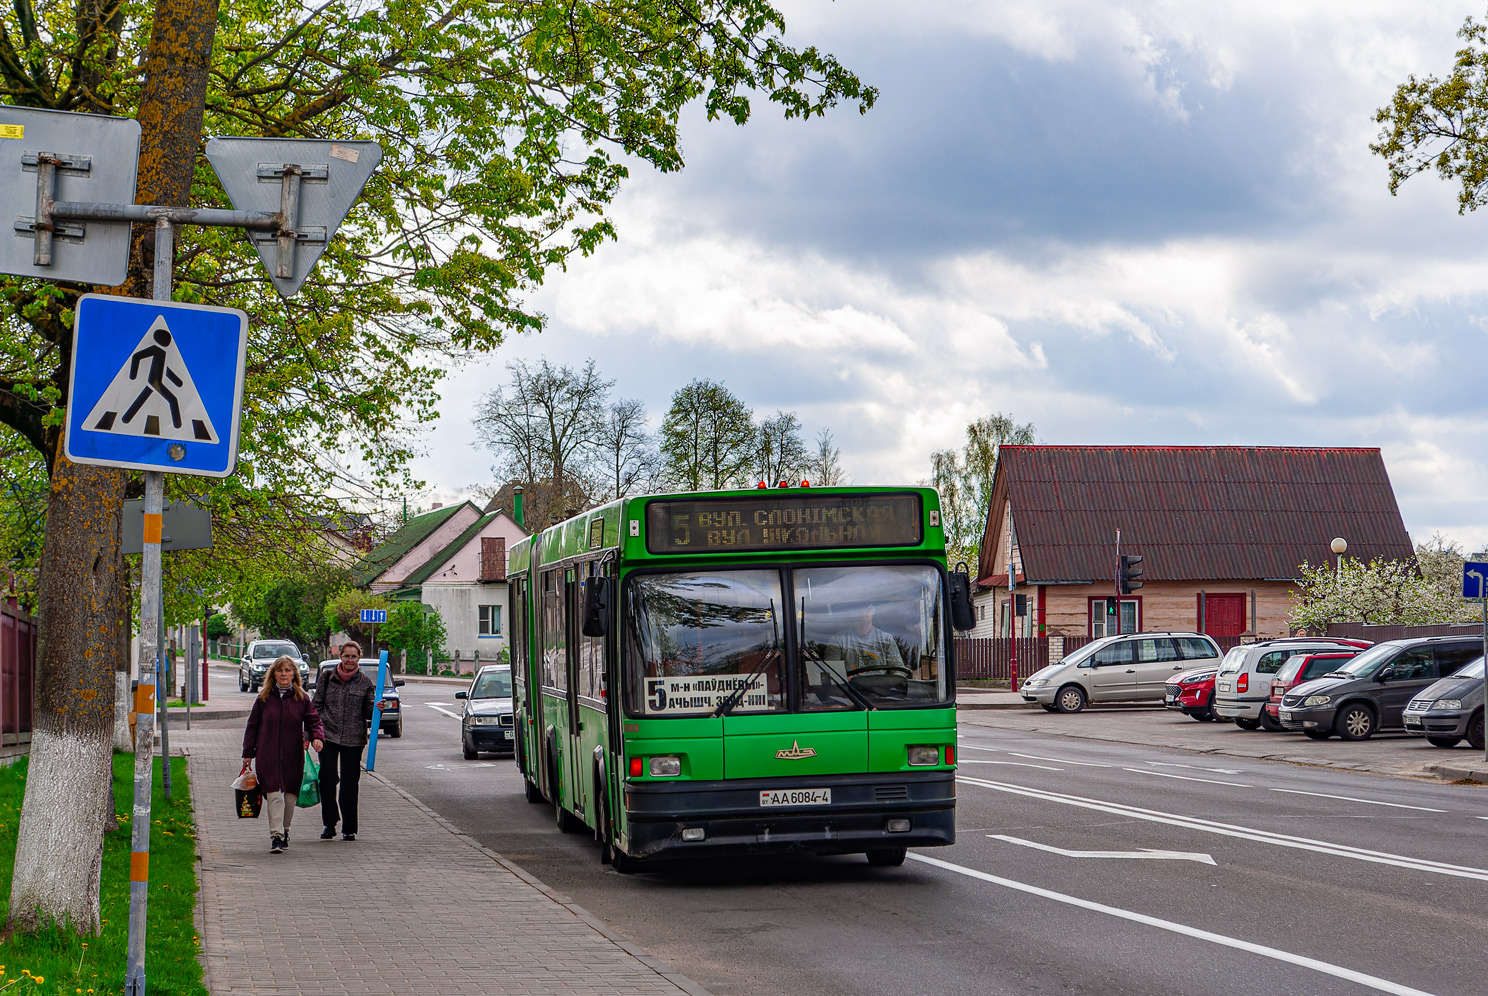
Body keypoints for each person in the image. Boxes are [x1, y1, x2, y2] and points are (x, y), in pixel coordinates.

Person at [242, 655, 324, 853]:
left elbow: (314, 721)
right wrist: (248, 753)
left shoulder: (301, 698)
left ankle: (285, 830)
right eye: (280, 670)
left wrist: (317, 737)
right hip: (267, 754)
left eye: (288, 670)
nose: (284, 674)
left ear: (294, 673)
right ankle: (276, 836)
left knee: (289, 797)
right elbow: (252, 726)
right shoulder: (263, 698)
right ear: (274, 674)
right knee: (274, 795)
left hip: (292, 755)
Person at [312, 641, 375, 841]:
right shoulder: (327, 678)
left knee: (350, 783)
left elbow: (368, 712)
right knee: (327, 778)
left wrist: (376, 707)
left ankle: (349, 828)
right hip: (328, 736)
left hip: (353, 739)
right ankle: (329, 824)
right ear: (340, 656)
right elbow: (316, 705)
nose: (350, 660)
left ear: (359, 657)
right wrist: (317, 731)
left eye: (354, 656)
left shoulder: (365, 683)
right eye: (346, 656)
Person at [821, 604, 906, 673]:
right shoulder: (838, 640)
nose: (862, 612)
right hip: (849, 692)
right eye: (857, 607)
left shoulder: (887, 640)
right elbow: (831, 676)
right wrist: (845, 680)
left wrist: (882, 684)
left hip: (880, 692)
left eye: (866, 607)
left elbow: (898, 674)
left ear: (873, 610)